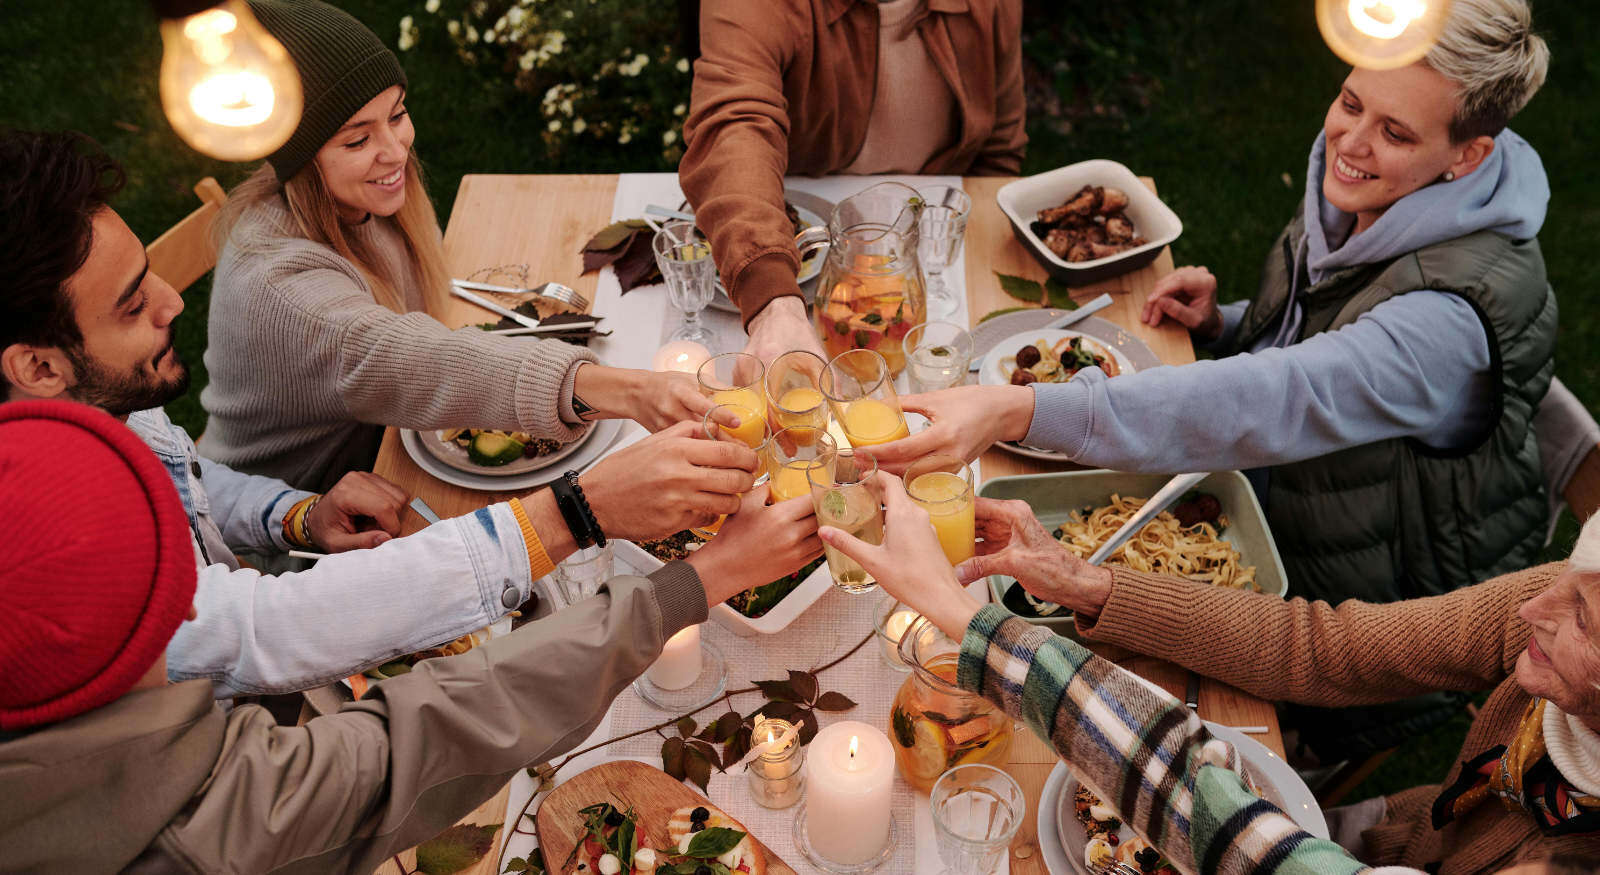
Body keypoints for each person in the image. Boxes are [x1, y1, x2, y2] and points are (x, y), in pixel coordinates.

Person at [0, 127, 817, 698]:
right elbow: (258, 635)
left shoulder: (97, 411)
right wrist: (577, 509)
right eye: (135, 302)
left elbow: (187, 476)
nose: (177, 300)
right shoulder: (45, 545)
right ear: (36, 366)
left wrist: (295, 516)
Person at [873, 0, 1555, 606]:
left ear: (1469, 156)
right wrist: (1224, 323)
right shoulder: (1393, 188)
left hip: (1361, 597)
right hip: (1268, 490)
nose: (1350, 142)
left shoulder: (1449, 323)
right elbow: (1334, 335)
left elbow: (1280, 397)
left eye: (1396, 133)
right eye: (1351, 102)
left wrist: (1017, 407)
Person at [0, 399, 812, 871]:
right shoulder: (199, 817)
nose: (206, 577)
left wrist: (288, 514)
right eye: (179, 577)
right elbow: (432, 727)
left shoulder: (59, 716)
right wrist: (692, 583)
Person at [817, 477, 1600, 872]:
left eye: (1585, 618)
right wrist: (1094, 584)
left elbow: (1217, 816)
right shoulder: (1568, 596)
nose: (1533, 605)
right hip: (1398, 831)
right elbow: (1322, 646)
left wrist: (967, 622)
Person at [204, 0, 730, 493]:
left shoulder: (362, 199)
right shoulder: (283, 290)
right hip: (293, 516)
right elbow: (413, 360)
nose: (395, 152)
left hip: (378, 449)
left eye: (397, 114)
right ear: (299, 158)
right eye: (356, 139)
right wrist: (631, 392)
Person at [679, 0, 1026, 365]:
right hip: (780, 236)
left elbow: (999, 151)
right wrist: (773, 302)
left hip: (942, 250)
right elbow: (734, 126)